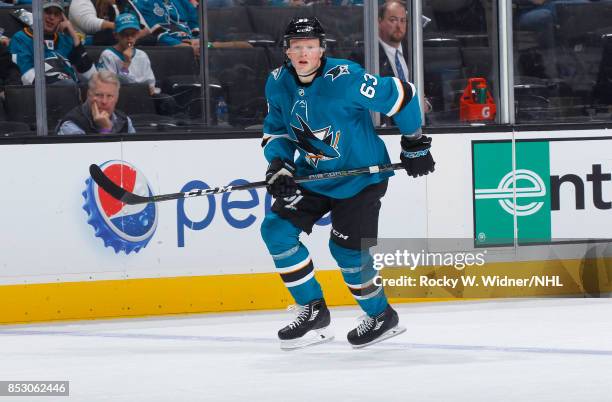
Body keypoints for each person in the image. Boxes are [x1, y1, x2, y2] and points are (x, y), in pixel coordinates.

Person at [260, 17, 435, 350]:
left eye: (310, 46)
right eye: (296, 46)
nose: (303, 53)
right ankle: (313, 311)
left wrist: (414, 142)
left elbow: (403, 95)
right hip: (312, 175)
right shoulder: (277, 82)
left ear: (322, 49)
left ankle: (381, 316)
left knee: (345, 252)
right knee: (276, 231)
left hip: (360, 178)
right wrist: (280, 165)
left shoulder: (346, 78)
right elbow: (276, 130)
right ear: (286, 51)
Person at [9, 0, 96, 85]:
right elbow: (27, 77)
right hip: (47, 94)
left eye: (56, 14)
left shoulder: (66, 40)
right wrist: (60, 85)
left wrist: (74, 35)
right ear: (37, 13)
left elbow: (91, 76)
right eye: (48, 12)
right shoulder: (21, 39)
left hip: (73, 92)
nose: (52, 17)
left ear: (61, 19)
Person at [56, 70, 135, 134]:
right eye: (99, 95)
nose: (104, 101)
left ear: (116, 98)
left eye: (109, 96)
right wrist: (105, 130)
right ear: (88, 95)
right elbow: (92, 154)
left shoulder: (125, 121)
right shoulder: (72, 125)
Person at [97, 13, 156, 95]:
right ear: (116, 35)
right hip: (120, 97)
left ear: (138, 34)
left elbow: (150, 81)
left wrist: (150, 88)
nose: (129, 38)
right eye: (125, 34)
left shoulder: (142, 55)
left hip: (143, 96)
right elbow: (108, 86)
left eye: (133, 34)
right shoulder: (107, 55)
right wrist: (126, 64)